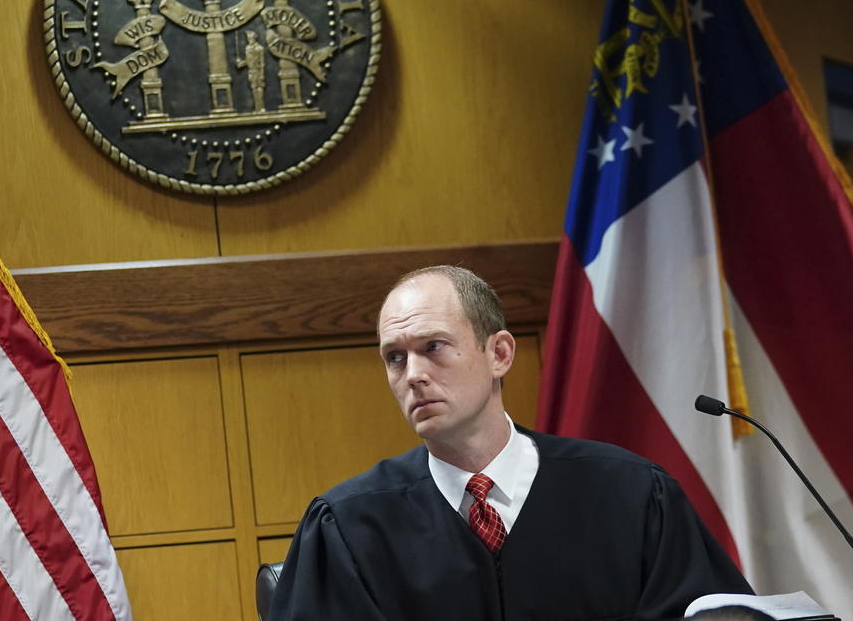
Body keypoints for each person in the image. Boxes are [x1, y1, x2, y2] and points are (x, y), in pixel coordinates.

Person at [267, 265, 753, 620]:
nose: (413, 375)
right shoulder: (349, 526)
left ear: (498, 353)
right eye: (395, 358)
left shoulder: (631, 495)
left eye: (433, 347)